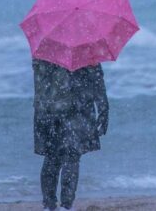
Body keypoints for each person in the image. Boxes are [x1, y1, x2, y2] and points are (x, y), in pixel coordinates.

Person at [33, 58, 109, 211]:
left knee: (51, 157)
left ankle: (48, 205)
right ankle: (66, 206)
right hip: (75, 109)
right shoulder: (84, 48)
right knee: (71, 156)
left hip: (47, 110)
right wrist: (103, 106)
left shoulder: (43, 47)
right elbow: (96, 78)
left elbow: (39, 82)